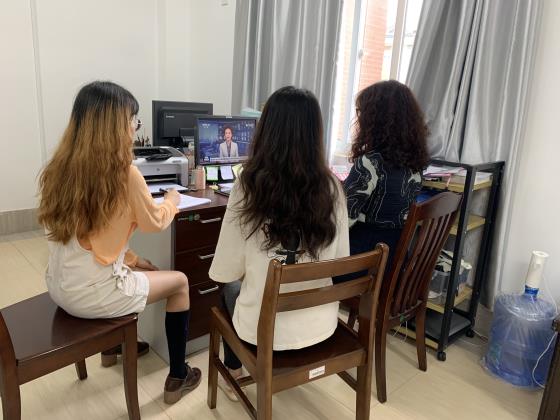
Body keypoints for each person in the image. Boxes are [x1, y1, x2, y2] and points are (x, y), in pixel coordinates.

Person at [38, 81, 201, 405]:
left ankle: (112, 346)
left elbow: (91, 236)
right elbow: (155, 222)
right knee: (180, 282)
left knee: (142, 270)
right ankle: (179, 375)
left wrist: (133, 259)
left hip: (58, 286)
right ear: (115, 126)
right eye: (132, 120)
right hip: (92, 296)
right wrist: (172, 200)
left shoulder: (59, 168)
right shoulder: (124, 174)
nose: (134, 128)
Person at [209, 86, 349, 400]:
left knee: (228, 289)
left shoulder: (248, 185)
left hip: (263, 332)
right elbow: (339, 261)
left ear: (266, 131)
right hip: (321, 325)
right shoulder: (333, 188)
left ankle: (234, 373)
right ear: (316, 134)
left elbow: (224, 271)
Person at [335, 80, 429, 283]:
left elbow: (343, 222)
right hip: (393, 265)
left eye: (361, 112)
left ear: (375, 119)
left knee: (308, 254)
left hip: (362, 265)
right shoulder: (415, 164)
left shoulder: (370, 163)